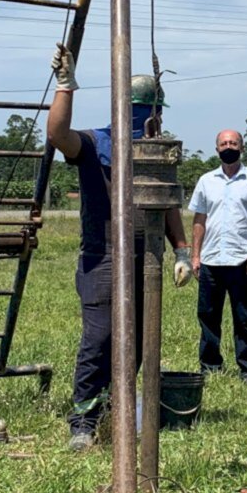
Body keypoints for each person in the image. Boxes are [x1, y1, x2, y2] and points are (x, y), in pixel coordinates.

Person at [47, 43, 192, 452]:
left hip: (147, 256)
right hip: (104, 258)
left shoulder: (155, 150)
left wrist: (181, 249)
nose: (152, 119)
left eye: (156, 110)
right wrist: (65, 85)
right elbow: (57, 134)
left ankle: (119, 407)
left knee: (141, 339)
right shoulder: (95, 145)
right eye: (147, 109)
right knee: (100, 338)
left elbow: (166, 203)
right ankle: (84, 420)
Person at [188, 129, 247, 384]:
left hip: (243, 262)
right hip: (211, 261)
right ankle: (210, 366)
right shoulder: (206, 181)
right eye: (224, 143)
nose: (229, 146)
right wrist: (195, 256)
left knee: (246, 317)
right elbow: (199, 219)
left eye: (234, 143)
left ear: (242, 147)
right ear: (217, 149)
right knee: (208, 317)